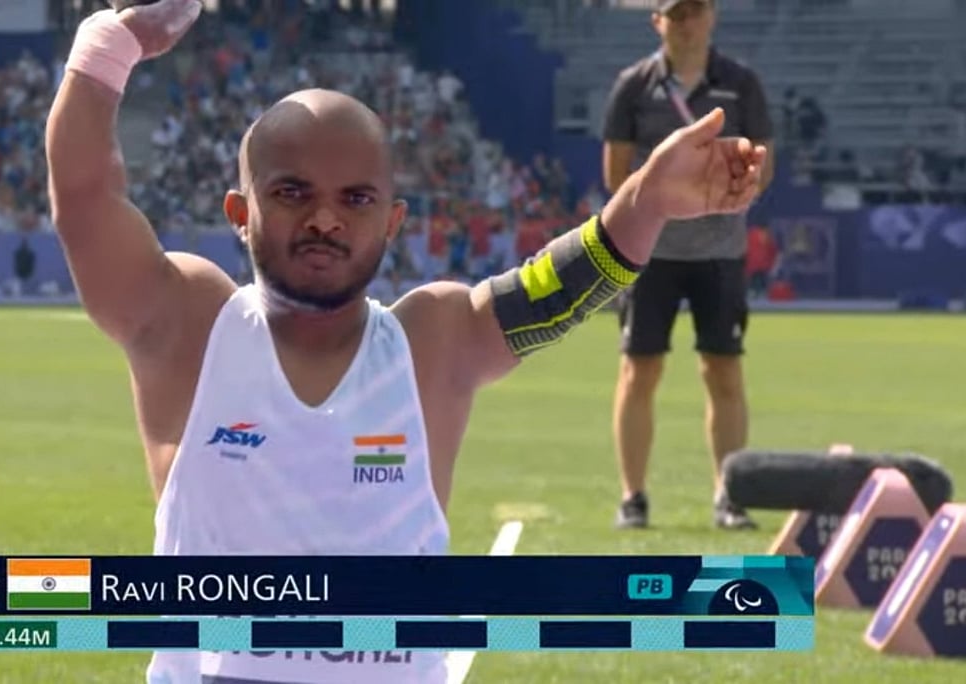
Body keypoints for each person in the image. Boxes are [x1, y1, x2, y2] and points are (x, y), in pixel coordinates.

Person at [46, 1, 767, 682]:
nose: (325, 219)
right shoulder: (192, 326)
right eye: (292, 192)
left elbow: (557, 292)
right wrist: (109, 45)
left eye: (355, 198)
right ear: (240, 211)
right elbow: (83, 197)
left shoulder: (430, 341)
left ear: (392, 222)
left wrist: (646, 202)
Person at [600, 0, 775, 531]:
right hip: (647, 251)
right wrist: (664, 199)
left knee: (723, 370)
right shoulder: (634, 86)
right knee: (639, 370)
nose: (686, 23)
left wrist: (733, 185)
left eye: (695, 11)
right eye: (675, 14)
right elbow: (615, 175)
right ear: (657, 21)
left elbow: (763, 165)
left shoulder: (741, 83)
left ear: (712, 16)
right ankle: (633, 497)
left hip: (720, 251)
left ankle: (729, 495)